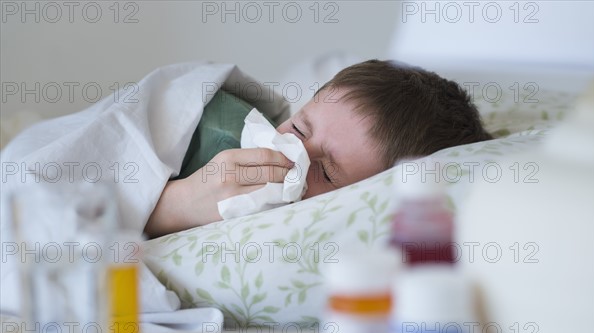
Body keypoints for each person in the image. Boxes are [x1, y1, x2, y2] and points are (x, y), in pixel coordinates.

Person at [144, 60, 492, 238]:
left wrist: (170, 214)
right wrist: (173, 201)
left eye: (325, 172)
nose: (292, 152)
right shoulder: (215, 120)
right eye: (298, 127)